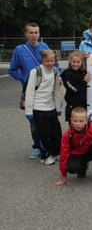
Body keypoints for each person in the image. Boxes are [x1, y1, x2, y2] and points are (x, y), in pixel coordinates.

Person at [8, 22, 60, 159]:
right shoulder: (20, 49)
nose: (34, 35)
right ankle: (37, 146)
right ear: (26, 34)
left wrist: (57, 76)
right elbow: (12, 70)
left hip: (46, 89)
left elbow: (55, 65)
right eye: (30, 32)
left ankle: (48, 147)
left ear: (39, 33)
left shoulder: (44, 47)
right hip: (30, 88)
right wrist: (24, 78)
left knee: (48, 120)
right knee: (34, 121)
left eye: (36, 32)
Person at [55, 107, 92, 187]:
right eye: (75, 121)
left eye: (81, 121)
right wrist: (64, 175)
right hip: (78, 153)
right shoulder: (67, 135)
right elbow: (64, 154)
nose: (78, 124)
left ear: (86, 121)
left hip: (91, 151)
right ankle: (82, 166)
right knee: (71, 168)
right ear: (71, 120)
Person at [24, 50, 62, 165]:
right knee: (44, 134)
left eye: (52, 60)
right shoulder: (36, 71)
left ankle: (55, 153)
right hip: (39, 108)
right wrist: (29, 111)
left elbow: (55, 90)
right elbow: (30, 92)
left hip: (51, 108)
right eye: (47, 61)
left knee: (56, 133)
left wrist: (58, 107)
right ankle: (45, 156)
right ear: (42, 60)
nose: (50, 63)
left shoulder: (55, 71)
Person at [61, 50, 92, 123]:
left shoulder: (83, 72)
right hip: (73, 107)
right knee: (74, 129)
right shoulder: (67, 74)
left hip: (84, 106)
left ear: (81, 62)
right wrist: (84, 81)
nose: (76, 64)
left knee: (85, 129)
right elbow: (75, 90)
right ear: (70, 62)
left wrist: (89, 57)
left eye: (78, 62)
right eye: (73, 62)